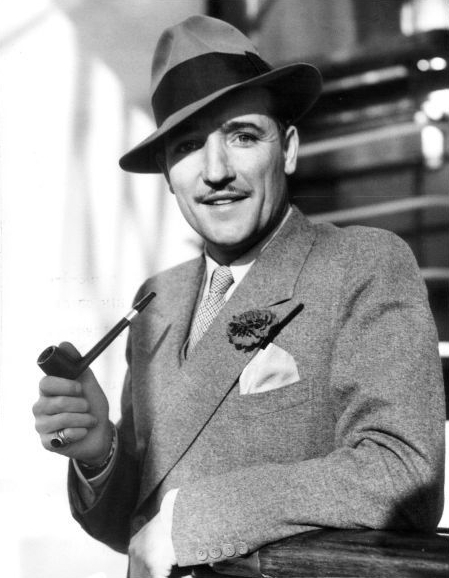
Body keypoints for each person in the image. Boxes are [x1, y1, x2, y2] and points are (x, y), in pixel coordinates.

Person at [33, 15, 445, 578]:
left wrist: (193, 521)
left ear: (288, 149)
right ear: (168, 174)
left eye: (243, 136)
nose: (216, 171)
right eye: (188, 145)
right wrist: (99, 451)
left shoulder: (361, 265)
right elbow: (138, 532)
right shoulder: (157, 299)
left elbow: (404, 472)